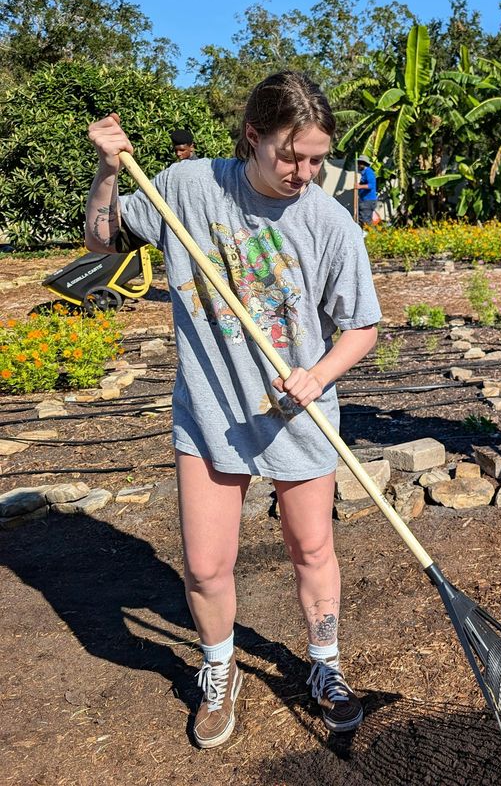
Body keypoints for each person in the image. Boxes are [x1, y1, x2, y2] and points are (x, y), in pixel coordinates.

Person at [85, 71, 381, 749]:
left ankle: (325, 667)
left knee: (312, 548)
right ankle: (219, 671)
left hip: (296, 417)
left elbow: (362, 327)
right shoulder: (189, 187)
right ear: (253, 136)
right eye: (290, 155)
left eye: (317, 158)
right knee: (206, 565)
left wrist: (318, 375)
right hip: (212, 413)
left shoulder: (330, 223)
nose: (304, 172)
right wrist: (107, 169)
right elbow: (104, 238)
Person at [355, 156, 378, 227]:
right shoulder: (364, 173)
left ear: (363, 163)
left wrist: (359, 186)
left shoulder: (369, 172)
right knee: (362, 220)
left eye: (359, 164)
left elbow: (371, 185)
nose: (358, 165)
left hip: (368, 201)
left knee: (365, 221)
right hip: (365, 200)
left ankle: (369, 236)